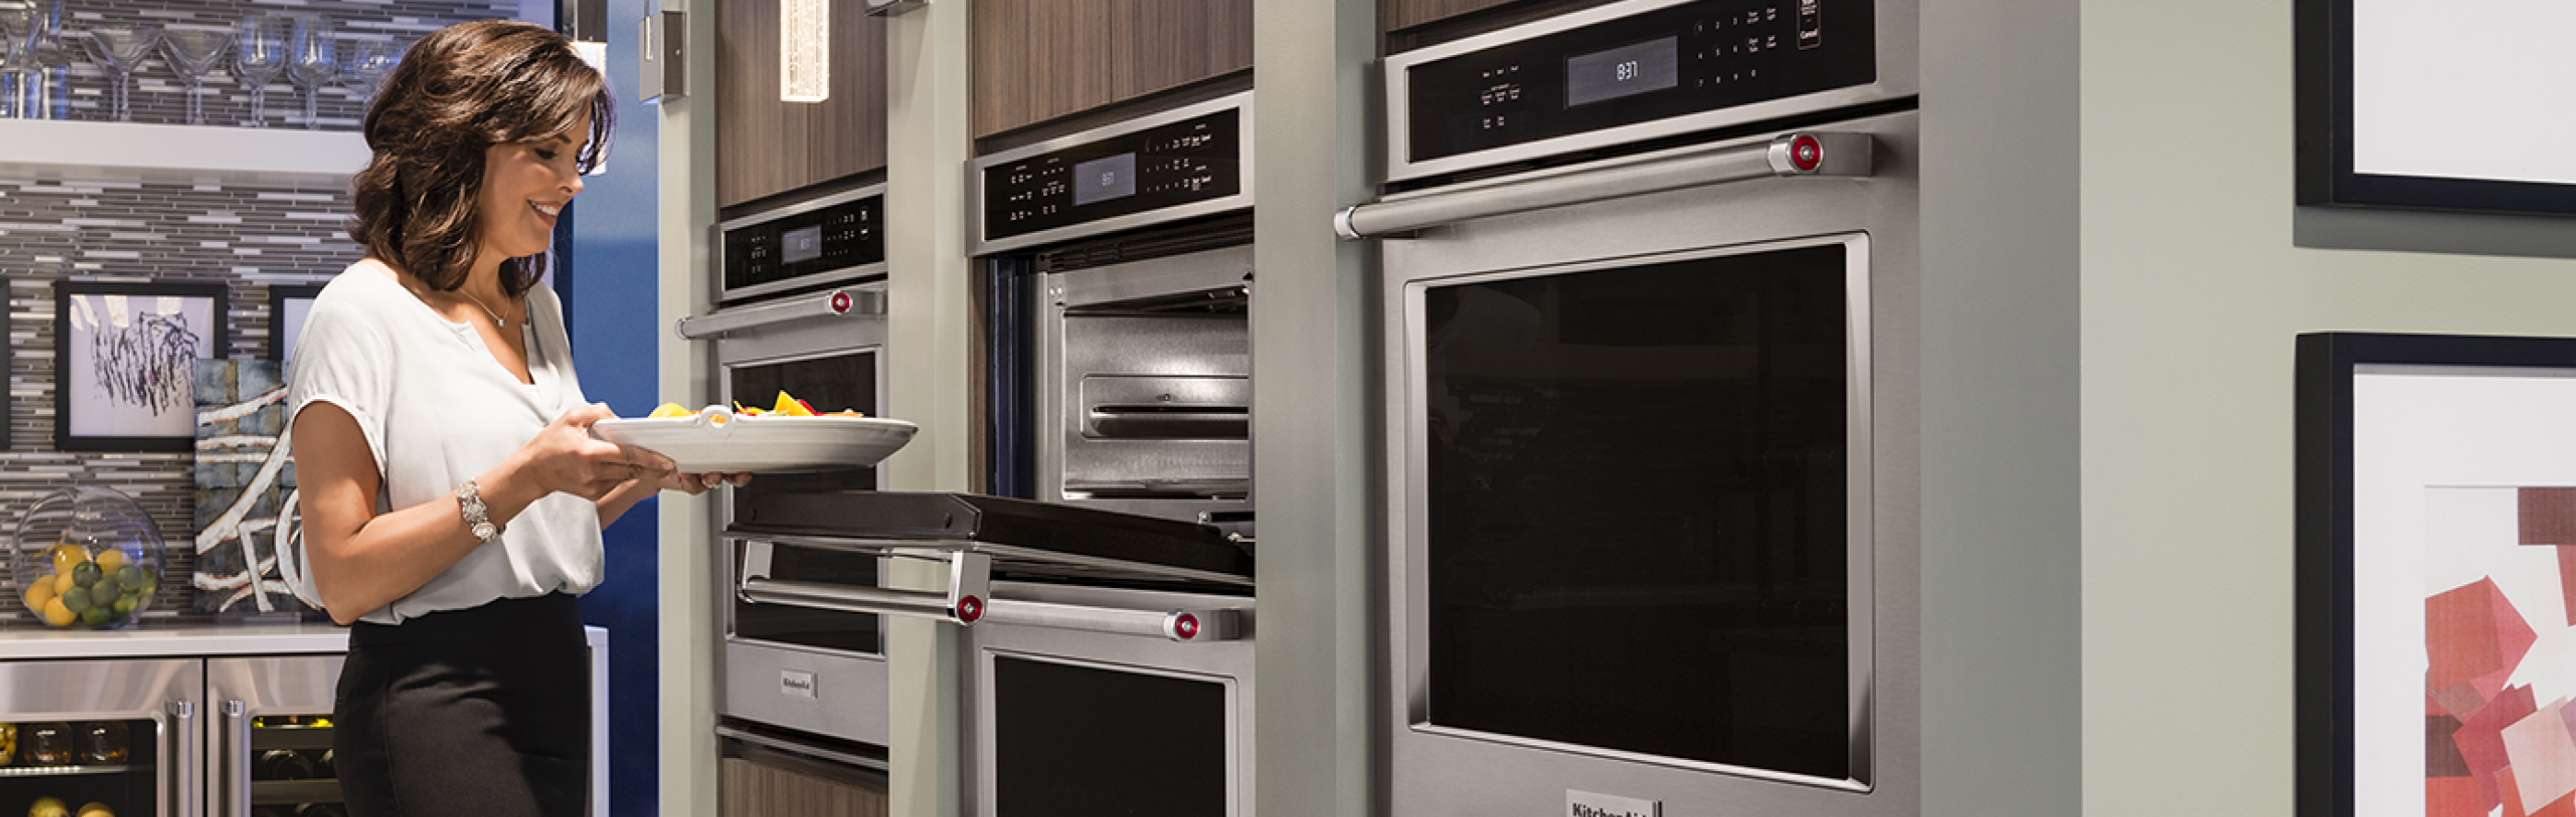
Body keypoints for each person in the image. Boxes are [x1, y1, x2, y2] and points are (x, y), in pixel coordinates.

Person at [285, 19, 742, 816]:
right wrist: (527, 472)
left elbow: (535, 530)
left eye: (575, 156)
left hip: (554, 676)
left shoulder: (536, 308)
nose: (572, 182)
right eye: (545, 152)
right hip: (435, 696)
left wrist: (647, 473)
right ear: (458, 149)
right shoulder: (359, 313)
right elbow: (345, 578)